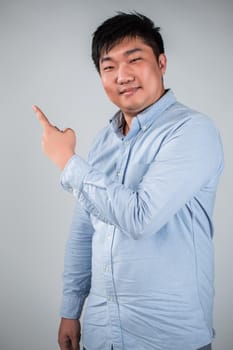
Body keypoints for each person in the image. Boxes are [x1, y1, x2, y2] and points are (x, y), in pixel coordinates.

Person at [33, 12, 224, 350]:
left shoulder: (192, 131)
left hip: (168, 338)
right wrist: (71, 309)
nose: (122, 76)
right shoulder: (104, 141)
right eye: (108, 67)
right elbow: (84, 230)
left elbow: (140, 217)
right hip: (102, 334)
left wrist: (67, 161)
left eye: (134, 59)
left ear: (162, 62)